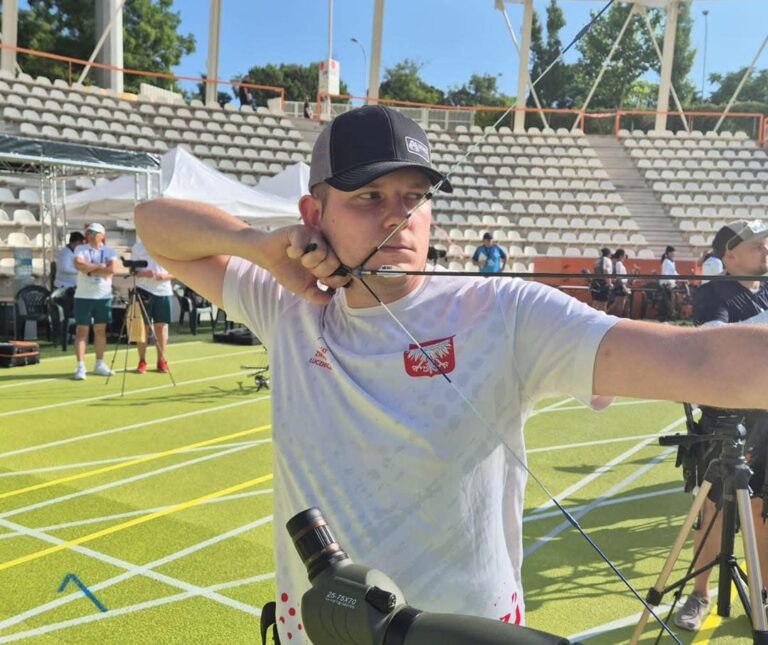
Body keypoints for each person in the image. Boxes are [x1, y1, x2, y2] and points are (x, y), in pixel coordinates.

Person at [134, 105, 768, 642]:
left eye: (414, 197)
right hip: (321, 625)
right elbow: (154, 225)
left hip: (463, 630)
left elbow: (701, 360)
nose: (397, 216)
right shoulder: (287, 301)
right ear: (314, 212)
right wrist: (258, 247)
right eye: (368, 197)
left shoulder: (503, 311)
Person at [674, 220, 768, 632]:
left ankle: (763, 594)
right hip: (724, 420)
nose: (765, 252)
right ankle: (700, 594)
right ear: (728, 257)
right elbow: (713, 339)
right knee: (712, 513)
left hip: (764, 419)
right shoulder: (715, 291)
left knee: (762, 513)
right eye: (756, 247)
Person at [72, 223, 116, 380]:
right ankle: (80, 366)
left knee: (100, 330)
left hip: (103, 296)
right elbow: (79, 265)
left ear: (102, 235)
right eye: (88, 232)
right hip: (83, 296)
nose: (90, 235)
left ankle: (99, 363)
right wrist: (98, 266)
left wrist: (89, 269)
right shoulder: (80, 249)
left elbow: (111, 270)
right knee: (81, 331)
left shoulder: (109, 251)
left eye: (93, 233)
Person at [131, 238, 174, 374]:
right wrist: (144, 273)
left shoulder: (169, 246)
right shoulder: (137, 247)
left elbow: (176, 271)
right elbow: (132, 271)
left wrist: (165, 277)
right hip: (144, 290)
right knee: (143, 328)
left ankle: (161, 361)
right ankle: (142, 361)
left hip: (163, 291)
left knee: (161, 327)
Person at [53, 231, 86, 322]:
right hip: (64, 288)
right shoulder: (65, 253)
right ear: (74, 243)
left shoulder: (75, 252)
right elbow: (65, 268)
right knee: (67, 313)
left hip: (73, 287)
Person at [658, 245, 678, 321]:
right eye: (673, 253)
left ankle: (667, 318)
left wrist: (681, 279)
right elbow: (665, 274)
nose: (674, 255)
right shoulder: (666, 262)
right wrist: (670, 282)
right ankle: (664, 318)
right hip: (665, 285)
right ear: (669, 253)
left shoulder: (671, 262)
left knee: (668, 302)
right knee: (666, 303)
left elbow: (674, 273)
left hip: (669, 285)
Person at [589, 247, 612, 312]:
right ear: (608, 254)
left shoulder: (597, 260)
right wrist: (609, 283)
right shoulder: (607, 260)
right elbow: (606, 271)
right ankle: (603, 320)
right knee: (603, 304)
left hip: (596, 283)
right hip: (603, 283)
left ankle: (592, 318)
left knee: (595, 303)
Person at [609, 248, 630, 317]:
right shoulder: (619, 263)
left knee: (619, 303)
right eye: (624, 255)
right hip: (620, 285)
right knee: (619, 304)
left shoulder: (618, 263)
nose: (625, 257)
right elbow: (619, 276)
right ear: (621, 256)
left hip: (620, 285)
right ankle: (614, 316)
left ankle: (614, 316)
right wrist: (624, 287)